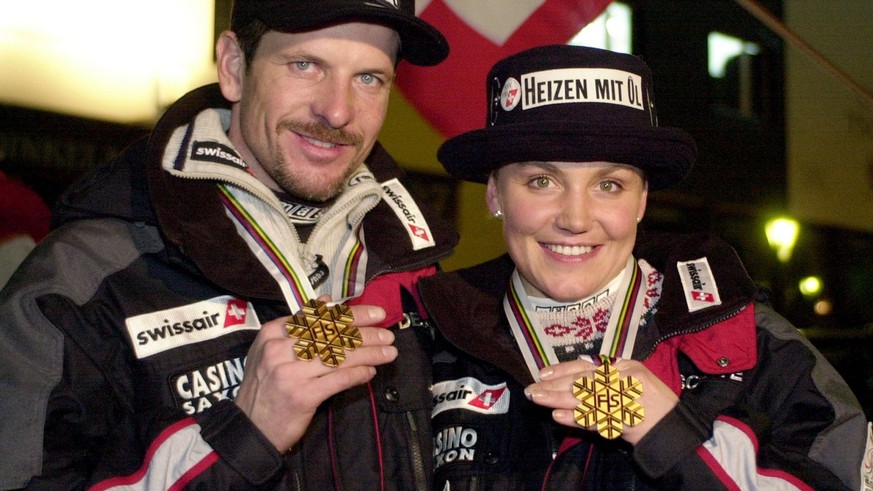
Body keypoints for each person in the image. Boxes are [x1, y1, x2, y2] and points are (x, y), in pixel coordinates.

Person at [0, 1, 457, 489]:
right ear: (235, 66)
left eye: (369, 78)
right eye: (306, 65)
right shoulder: (82, 282)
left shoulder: (416, 273)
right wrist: (246, 434)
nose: (338, 110)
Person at [418, 44, 871, 490]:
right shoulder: (427, 342)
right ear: (495, 194)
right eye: (542, 181)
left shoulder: (752, 342)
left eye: (609, 185)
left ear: (642, 200)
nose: (575, 219)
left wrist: (668, 432)